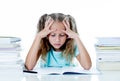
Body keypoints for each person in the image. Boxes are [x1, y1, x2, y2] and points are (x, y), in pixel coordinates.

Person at [25, 13, 92, 70]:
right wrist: (38, 36)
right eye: (53, 35)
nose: (57, 40)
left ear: (67, 35)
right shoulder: (42, 45)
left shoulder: (72, 46)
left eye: (62, 35)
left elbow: (87, 66)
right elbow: (29, 66)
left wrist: (76, 37)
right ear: (46, 35)